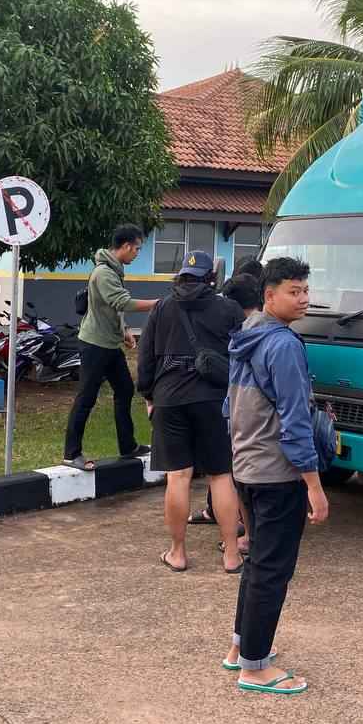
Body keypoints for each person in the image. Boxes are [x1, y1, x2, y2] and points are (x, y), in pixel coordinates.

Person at [223, 257, 326, 695]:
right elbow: (296, 420)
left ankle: (241, 648)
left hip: (247, 465)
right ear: (270, 295)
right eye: (293, 291)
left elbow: (229, 407)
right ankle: (255, 668)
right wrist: (314, 486)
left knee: (258, 564)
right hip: (277, 473)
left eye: (305, 290)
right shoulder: (283, 344)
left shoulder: (248, 334)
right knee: (272, 571)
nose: (303, 299)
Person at [138, 251, 245, 573]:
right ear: (212, 278)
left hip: (169, 399)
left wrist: (148, 395)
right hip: (213, 400)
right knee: (221, 476)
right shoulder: (229, 309)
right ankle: (231, 555)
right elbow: (242, 355)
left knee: (178, 477)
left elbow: (146, 359)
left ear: (181, 274)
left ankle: (178, 553)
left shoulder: (162, 307)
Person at [62, 224, 158, 470]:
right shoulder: (104, 272)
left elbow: (110, 307)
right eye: (136, 249)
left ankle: (128, 447)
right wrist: (157, 304)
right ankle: (71, 453)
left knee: (125, 390)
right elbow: (121, 302)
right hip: (95, 343)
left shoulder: (114, 269)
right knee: (86, 397)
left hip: (110, 343)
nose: (137, 253)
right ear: (125, 246)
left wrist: (124, 330)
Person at [190, 272, 262, 537]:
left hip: (238, 411)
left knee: (233, 472)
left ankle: (245, 534)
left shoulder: (246, 332)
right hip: (246, 413)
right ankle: (244, 532)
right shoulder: (265, 331)